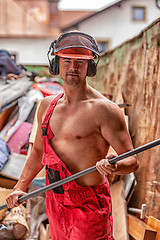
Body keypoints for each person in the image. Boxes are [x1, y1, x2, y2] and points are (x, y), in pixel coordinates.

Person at [6, 31, 139, 240]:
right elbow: (38, 152)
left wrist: (116, 165)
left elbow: (132, 161)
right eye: (66, 60)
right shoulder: (45, 106)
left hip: (88, 205)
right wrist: (19, 187)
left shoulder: (104, 109)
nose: (73, 67)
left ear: (90, 66)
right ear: (56, 64)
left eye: (80, 62)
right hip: (56, 201)